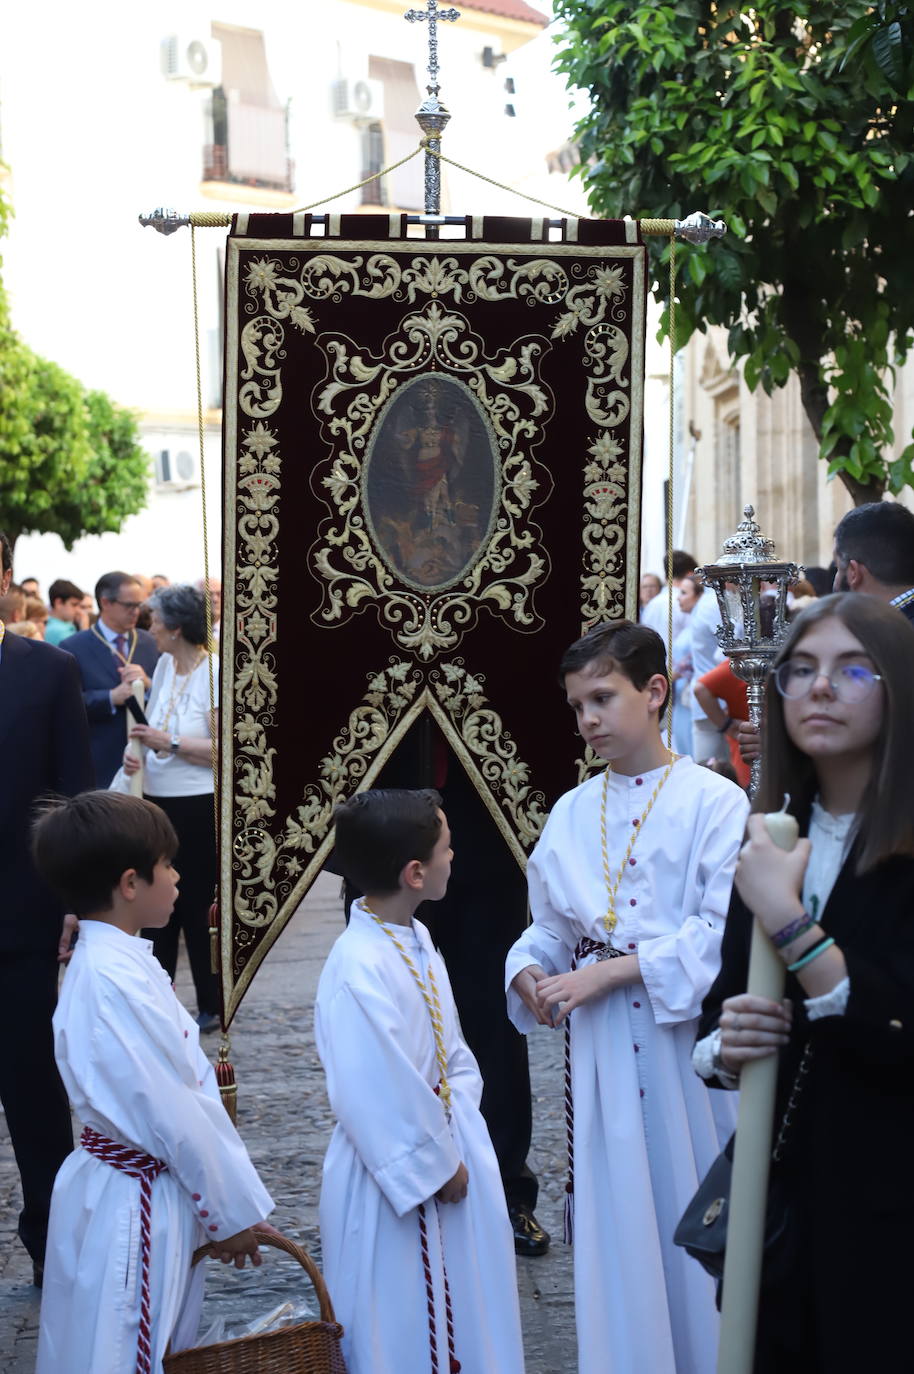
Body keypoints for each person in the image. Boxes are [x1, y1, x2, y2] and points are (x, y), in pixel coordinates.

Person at [505, 620, 749, 1374]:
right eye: (578, 706)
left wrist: (610, 972)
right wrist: (527, 970)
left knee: (693, 1207)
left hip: (687, 1056)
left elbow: (721, 935)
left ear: (654, 692)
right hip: (606, 1059)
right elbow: (549, 928)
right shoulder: (573, 811)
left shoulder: (715, 801)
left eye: (603, 699)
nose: (588, 721)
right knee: (621, 1226)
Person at [692, 593, 914, 1370]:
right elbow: (720, 1015)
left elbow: (899, 1030)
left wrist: (788, 919)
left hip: (890, 1201)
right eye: (803, 670)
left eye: (855, 670)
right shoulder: (774, 835)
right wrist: (725, 1044)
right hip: (783, 1202)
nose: (821, 688)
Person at [31, 791, 275, 1374]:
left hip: (134, 1187)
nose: (178, 876)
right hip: (134, 1202)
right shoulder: (112, 979)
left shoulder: (120, 962)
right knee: (127, 1345)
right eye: (168, 865)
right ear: (130, 884)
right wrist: (230, 1212)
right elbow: (174, 1110)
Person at [316, 789, 525, 1374]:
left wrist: (459, 1120)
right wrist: (434, 1163)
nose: (454, 857)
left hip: (448, 1141)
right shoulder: (357, 966)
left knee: (465, 1311)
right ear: (415, 872)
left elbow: (451, 1048)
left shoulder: (416, 938)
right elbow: (371, 1086)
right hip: (393, 1177)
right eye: (447, 848)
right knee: (403, 1321)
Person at [0, 529, 94, 1286]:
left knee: (34, 1099)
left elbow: (72, 798)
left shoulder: (49, 672)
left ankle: (54, 1249)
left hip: (22, 925)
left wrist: (74, 904)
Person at [122, 584, 220, 1032]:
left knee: (198, 907)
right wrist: (138, 750)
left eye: (156, 620)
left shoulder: (215, 670)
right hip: (156, 804)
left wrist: (169, 743)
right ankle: (159, 999)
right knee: (156, 908)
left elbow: (227, 749)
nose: (151, 627)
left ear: (177, 627)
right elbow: (153, 726)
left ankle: (211, 1003)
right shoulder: (163, 664)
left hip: (199, 808)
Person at [62, 571, 159, 787]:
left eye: (139, 605)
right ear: (105, 602)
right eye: (129, 606)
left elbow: (169, 693)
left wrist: (149, 685)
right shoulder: (73, 648)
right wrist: (110, 698)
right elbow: (66, 705)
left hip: (149, 759)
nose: (136, 612)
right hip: (101, 759)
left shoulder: (151, 642)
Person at [694, 660, 750, 788]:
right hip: (746, 747)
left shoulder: (741, 661)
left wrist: (727, 725)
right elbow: (700, 689)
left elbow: (700, 689)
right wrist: (727, 725)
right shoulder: (742, 660)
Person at [44, 578, 85, 647]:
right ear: (58, 603)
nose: (78, 610)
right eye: (74, 605)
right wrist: (84, 629)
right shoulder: (58, 631)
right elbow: (83, 652)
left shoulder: (63, 625)